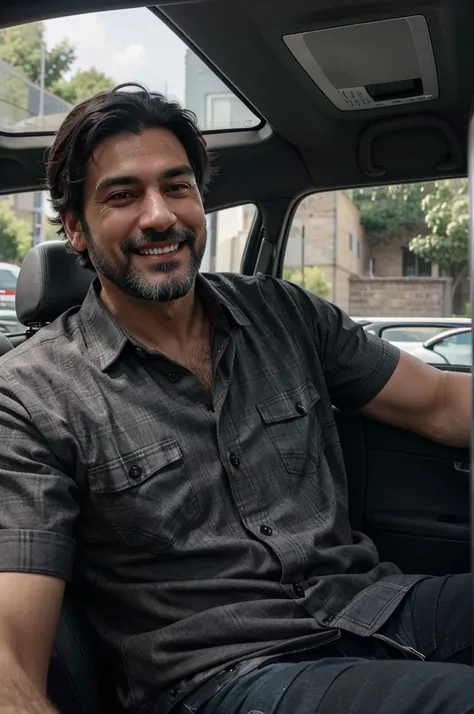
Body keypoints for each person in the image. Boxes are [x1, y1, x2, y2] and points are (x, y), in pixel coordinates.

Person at [0, 83, 471, 714]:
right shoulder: (33, 394)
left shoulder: (285, 313)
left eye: (177, 186)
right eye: (121, 195)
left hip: (371, 604)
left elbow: (440, 402)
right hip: (227, 676)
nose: (159, 215)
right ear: (75, 230)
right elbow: (9, 649)